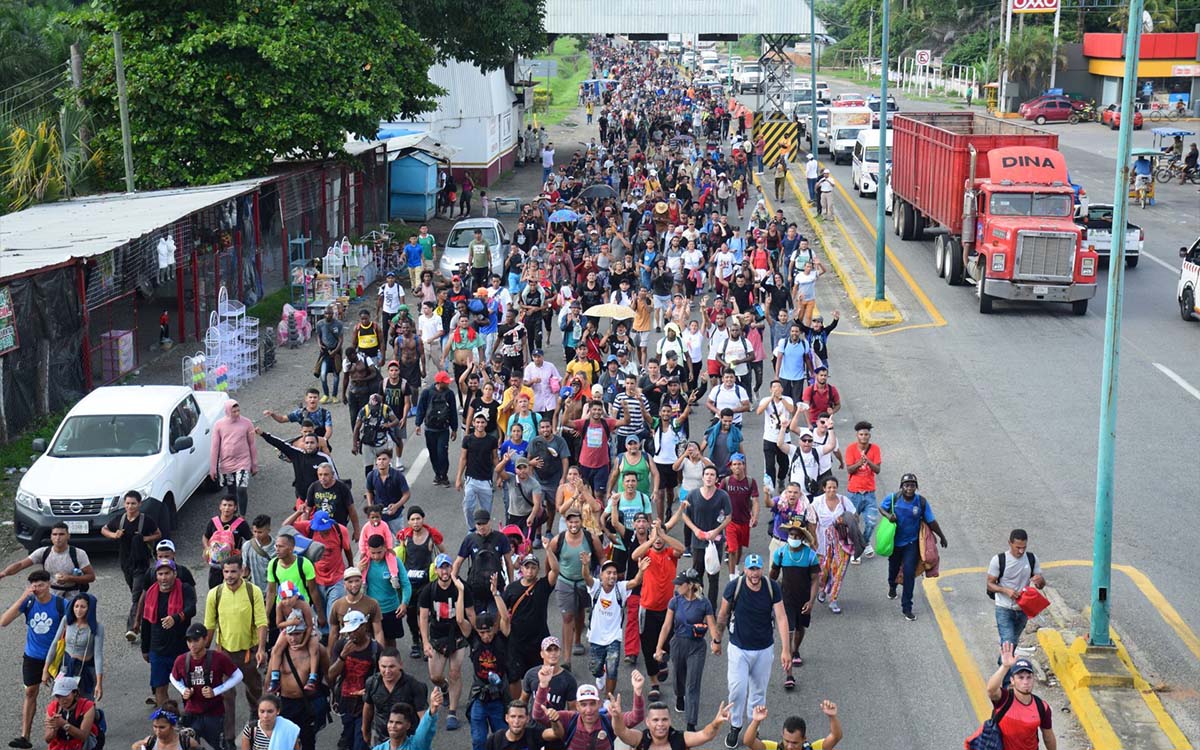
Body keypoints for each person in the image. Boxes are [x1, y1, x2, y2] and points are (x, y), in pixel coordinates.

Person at [712, 554, 790, 749]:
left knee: (758, 692)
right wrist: (716, 640)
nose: (754, 574)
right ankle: (735, 726)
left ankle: (753, 728)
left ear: (762, 569)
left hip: (764, 649)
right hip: (739, 648)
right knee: (737, 689)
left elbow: (781, 617)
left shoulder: (772, 587)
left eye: (757, 569)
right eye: (751, 569)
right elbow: (722, 615)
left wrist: (786, 650)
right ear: (744, 570)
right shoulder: (734, 587)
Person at [204, 558, 268, 746]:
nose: (229, 576)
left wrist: (262, 650)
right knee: (226, 696)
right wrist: (203, 654)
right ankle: (229, 738)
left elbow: (261, 622)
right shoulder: (214, 594)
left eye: (233, 572)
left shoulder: (252, 591)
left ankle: (258, 729)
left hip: (249, 652)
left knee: (255, 691)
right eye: (226, 572)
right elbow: (209, 625)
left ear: (242, 571)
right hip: (224, 654)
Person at [3, 570, 69, 748]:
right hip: (32, 656)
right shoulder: (29, 602)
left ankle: (63, 732)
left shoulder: (61, 604)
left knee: (62, 696)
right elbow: (3, 621)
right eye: (33, 585)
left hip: (56, 657)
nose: (37, 588)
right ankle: (25, 736)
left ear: (49, 584)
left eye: (40, 585)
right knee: (30, 693)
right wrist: (23, 597)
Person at [652, 568, 718, 731]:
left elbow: (712, 625)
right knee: (678, 679)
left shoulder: (704, 603)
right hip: (678, 644)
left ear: (689, 585)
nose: (676, 587)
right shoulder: (675, 601)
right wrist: (659, 647)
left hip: (697, 647)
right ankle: (679, 696)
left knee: (693, 685)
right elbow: (667, 626)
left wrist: (716, 641)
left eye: (680, 584)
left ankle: (691, 723)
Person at [452, 575, 511, 750]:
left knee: (503, 741)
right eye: (482, 632)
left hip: (499, 696)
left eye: (488, 631)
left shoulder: (500, 639)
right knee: (478, 741)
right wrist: (461, 592)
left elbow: (505, 619)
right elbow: (460, 620)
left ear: (493, 628)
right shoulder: (474, 640)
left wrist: (495, 594)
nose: (486, 636)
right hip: (479, 695)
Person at [879, 473, 948, 621]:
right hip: (895, 543)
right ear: (901, 487)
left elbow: (931, 520)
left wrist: (942, 536)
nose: (909, 488)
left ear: (916, 487)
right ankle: (892, 586)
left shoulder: (921, 502)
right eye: (906, 485)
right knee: (893, 568)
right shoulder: (893, 498)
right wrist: (888, 515)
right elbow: (881, 508)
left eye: (912, 485)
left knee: (909, 573)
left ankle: (907, 607)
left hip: (912, 543)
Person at [170, 622, 244, 750]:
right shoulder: (181, 660)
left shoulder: (218, 658)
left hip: (214, 714)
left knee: (219, 746)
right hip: (191, 713)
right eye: (189, 641)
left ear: (205, 639)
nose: (192, 644)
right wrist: (183, 690)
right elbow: (173, 677)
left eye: (196, 640)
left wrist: (216, 691)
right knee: (189, 746)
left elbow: (238, 675)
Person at [100, 490, 161, 640]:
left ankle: (133, 628)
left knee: (136, 596)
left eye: (133, 503)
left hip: (141, 564)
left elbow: (158, 534)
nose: (130, 506)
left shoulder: (146, 520)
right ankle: (152, 612)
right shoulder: (119, 520)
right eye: (127, 503)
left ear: (139, 504)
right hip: (125, 563)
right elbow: (104, 529)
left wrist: (144, 538)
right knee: (137, 593)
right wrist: (114, 535)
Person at [532, 673, 646, 750]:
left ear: (599, 704)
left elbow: (637, 717)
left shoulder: (610, 719)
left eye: (592, 703)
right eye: (583, 704)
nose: (588, 710)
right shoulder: (568, 719)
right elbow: (538, 715)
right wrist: (542, 686)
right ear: (577, 706)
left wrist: (638, 691)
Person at [583, 557, 646, 696]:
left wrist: (641, 570)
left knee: (612, 668)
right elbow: (586, 577)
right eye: (609, 572)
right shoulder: (596, 586)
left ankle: (608, 698)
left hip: (614, 638)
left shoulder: (621, 588)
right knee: (595, 668)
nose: (612, 576)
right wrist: (585, 564)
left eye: (614, 573)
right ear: (601, 575)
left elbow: (636, 581)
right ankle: (600, 676)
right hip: (596, 637)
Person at [768, 519, 820, 691]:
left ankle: (795, 650)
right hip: (786, 600)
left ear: (802, 538)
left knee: (800, 628)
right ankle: (789, 674)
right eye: (791, 534)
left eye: (797, 535)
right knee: (788, 634)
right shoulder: (781, 553)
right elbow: (773, 576)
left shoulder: (810, 555)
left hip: (804, 599)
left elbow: (815, 580)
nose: (793, 537)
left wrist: (811, 601)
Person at [418, 554, 467, 731]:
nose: (445, 571)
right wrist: (425, 642)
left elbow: (469, 611)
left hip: (457, 635)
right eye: (442, 567)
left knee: (455, 672)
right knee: (435, 676)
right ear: (436, 570)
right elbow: (423, 617)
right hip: (437, 636)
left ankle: (452, 712)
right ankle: (445, 688)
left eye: (448, 567)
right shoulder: (428, 591)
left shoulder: (460, 587)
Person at [142, 560, 198, 707]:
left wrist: (176, 618)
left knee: (186, 687)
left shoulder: (185, 589)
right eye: (160, 574)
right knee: (160, 687)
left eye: (167, 573)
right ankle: (166, 721)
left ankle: (189, 718)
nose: (164, 577)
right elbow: (146, 622)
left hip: (181, 648)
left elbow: (192, 609)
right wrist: (144, 648)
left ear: (174, 574)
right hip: (158, 649)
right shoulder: (151, 593)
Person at [987, 529, 1045, 661]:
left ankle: (1002, 668)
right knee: (1008, 644)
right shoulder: (999, 560)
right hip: (1003, 608)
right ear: (1010, 543)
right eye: (1017, 547)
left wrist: (1040, 581)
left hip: (1023, 609)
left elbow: (1041, 584)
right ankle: (1006, 679)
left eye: (1024, 548)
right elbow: (990, 584)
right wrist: (1005, 590)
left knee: (1012, 644)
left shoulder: (1031, 559)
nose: (1021, 551)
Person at [984, 645, 1057, 750]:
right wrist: (1005, 667)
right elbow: (991, 690)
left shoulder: (1041, 707)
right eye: (1021, 678)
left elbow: (1048, 736)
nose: (1025, 682)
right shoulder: (1004, 699)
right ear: (1012, 681)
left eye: (1029, 677)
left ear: (1033, 680)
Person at [0, 522, 97, 598]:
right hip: (50, 596)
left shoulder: (79, 553)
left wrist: (70, 578)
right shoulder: (43, 552)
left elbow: (91, 577)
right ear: (51, 537)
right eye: (54, 534)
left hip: (72, 596)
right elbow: (21, 564)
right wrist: (4, 573)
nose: (58, 538)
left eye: (61, 534)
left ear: (68, 536)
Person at [680, 466, 732, 607]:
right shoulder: (693, 495)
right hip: (698, 542)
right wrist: (695, 530)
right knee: (697, 576)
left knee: (713, 576)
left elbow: (728, 517)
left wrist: (716, 531)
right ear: (702, 477)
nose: (709, 477)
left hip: (715, 543)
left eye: (712, 475)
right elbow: (684, 515)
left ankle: (711, 609)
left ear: (716, 479)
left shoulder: (722, 496)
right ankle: (698, 605)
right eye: (707, 474)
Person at [327, 610, 378, 750]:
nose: (351, 635)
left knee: (360, 742)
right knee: (348, 737)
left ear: (364, 627)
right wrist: (342, 656)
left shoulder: (375, 649)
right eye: (348, 632)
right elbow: (330, 674)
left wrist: (369, 690)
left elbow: (383, 677)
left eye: (354, 631)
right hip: (345, 702)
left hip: (365, 704)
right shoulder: (341, 645)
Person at [361, 648, 429, 746]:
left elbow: (423, 716)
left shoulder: (414, 685)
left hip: (407, 739)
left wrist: (422, 740)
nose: (387, 671)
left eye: (392, 666)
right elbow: (368, 708)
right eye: (383, 667)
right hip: (380, 737)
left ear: (400, 664)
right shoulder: (372, 683)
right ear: (378, 664)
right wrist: (365, 730)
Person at [42, 593, 103, 700]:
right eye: (76, 606)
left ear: (90, 609)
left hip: (85, 669)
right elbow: (55, 643)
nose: (79, 610)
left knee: (85, 702)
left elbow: (98, 656)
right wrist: (45, 670)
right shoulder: (66, 620)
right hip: (66, 666)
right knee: (62, 700)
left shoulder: (97, 627)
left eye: (83, 607)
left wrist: (99, 683)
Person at [210, 400, 259, 516]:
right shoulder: (219, 425)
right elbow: (215, 447)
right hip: (226, 463)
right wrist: (213, 468)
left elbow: (252, 444)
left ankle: (242, 515)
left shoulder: (247, 423)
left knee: (241, 488)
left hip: (243, 461)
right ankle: (233, 514)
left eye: (238, 411)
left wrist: (254, 464)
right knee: (231, 492)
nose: (237, 414)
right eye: (234, 411)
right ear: (227, 411)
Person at [844, 421, 881, 563]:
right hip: (854, 493)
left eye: (866, 434)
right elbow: (849, 469)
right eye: (861, 434)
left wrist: (868, 461)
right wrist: (859, 463)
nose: (864, 437)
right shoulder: (851, 449)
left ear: (869, 435)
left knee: (871, 522)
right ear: (857, 435)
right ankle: (858, 547)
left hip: (869, 493)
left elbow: (877, 470)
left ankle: (862, 545)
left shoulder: (875, 449)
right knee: (853, 524)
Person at [415, 371, 459, 487]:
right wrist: (417, 424)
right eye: (446, 382)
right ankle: (437, 474)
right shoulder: (427, 393)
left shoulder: (449, 394)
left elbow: (453, 412)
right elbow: (421, 409)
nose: (448, 384)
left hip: (443, 430)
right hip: (430, 429)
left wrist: (454, 429)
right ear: (439, 382)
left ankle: (444, 476)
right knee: (433, 453)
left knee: (442, 453)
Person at [742, 702, 843, 750]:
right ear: (782, 736)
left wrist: (832, 717)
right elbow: (748, 741)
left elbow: (836, 736)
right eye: (787, 741)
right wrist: (756, 721)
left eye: (795, 743)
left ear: (804, 739)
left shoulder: (813, 748)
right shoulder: (773, 748)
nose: (790, 747)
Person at [370, 688, 443, 750]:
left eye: (398, 723)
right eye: (391, 722)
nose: (393, 726)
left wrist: (433, 709)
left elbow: (424, 730)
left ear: (408, 725)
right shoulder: (379, 749)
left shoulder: (416, 746)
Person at [305, 463, 361, 542]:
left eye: (326, 474)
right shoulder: (314, 487)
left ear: (332, 474)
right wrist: (304, 528)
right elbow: (307, 510)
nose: (323, 477)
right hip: (320, 528)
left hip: (337, 528)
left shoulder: (342, 487)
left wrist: (357, 530)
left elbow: (351, 510)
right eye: (320, 475)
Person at [43, 675, 96, 750]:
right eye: (58, 696)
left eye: (65, 695)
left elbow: (83, 736)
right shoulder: (53, 707)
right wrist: (54, 729)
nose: (62, 700)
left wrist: (64, 724)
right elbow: (47, 740)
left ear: (75, 693)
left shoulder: (87, 706)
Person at [133, 700, 200, 750]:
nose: (157, 731)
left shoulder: (187, 743)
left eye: (162, 727)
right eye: (155, 726)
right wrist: (135, 747)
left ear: (173, 726)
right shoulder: (149, 742)